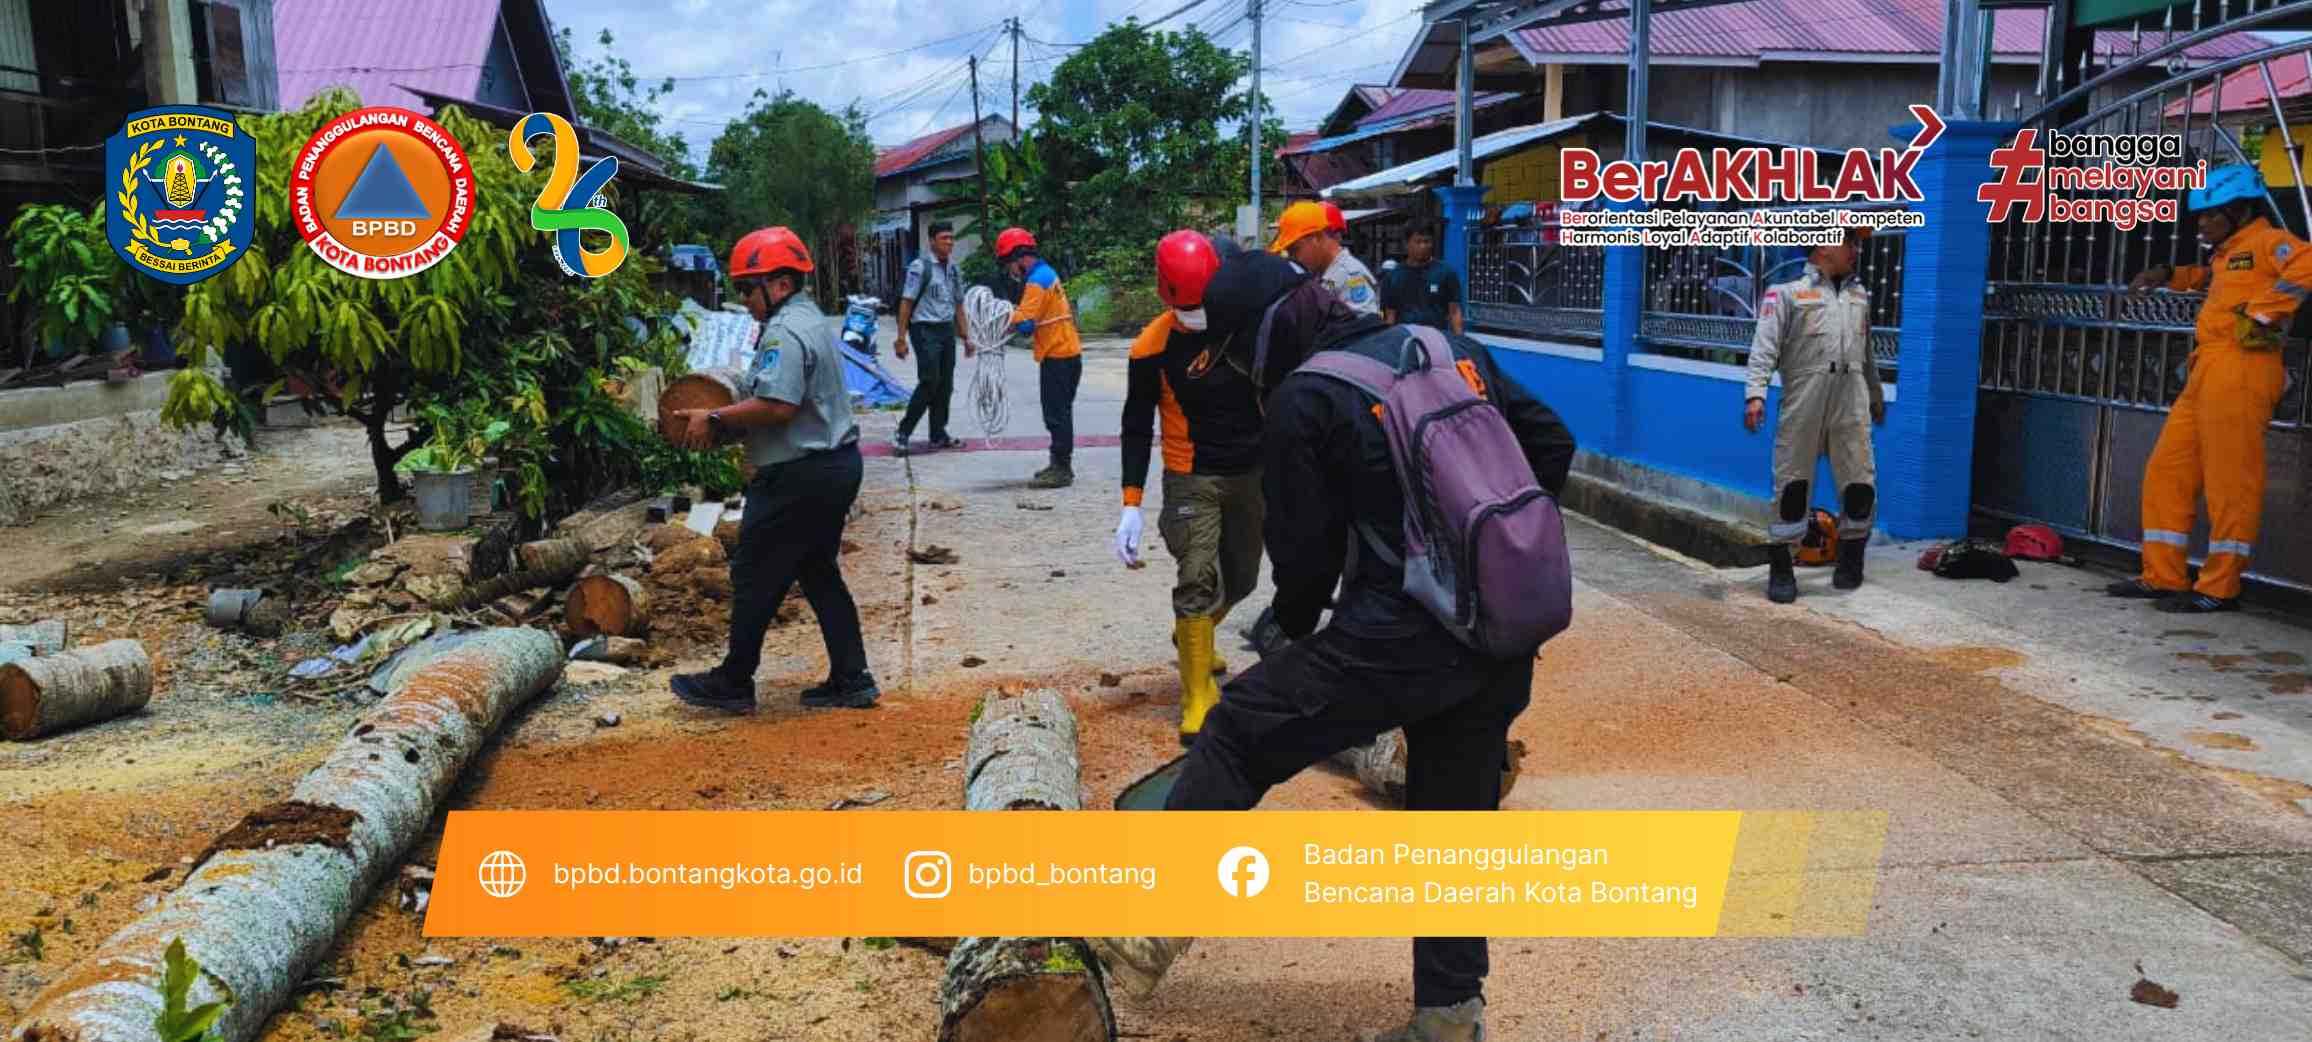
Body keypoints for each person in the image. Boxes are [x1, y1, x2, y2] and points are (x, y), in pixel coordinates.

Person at [1091, 251, 1577, 1042]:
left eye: (1239, 356)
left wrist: (1289, 626)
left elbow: (1307, 569)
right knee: (1451, 824)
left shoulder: (1304, 397)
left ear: (1258, 339)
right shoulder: (1444, 347)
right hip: (1499, 635)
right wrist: (1481, 557)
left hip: (1401, 640)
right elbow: (1551, 443)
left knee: (1241, 729)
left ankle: (1148, 923)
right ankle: (1451, 1018)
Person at [666, 227, 876, 712]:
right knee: (818, 570)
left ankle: (735, 681)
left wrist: (716, 418)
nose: (745, 299)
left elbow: (779, 405)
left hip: (802, 475)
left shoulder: (786, 329)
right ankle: (852, 676)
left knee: (754, 570)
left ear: (778, 284)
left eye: (747, 288)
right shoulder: (809, 318)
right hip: (833, 466)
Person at [2109, 164, 2311, 612]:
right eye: (2199, 216)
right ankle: (2163, 576)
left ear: (2239, 211)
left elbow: (2307, 261)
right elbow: (2211, 282)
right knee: (2167, 471)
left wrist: (2262, 312)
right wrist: (2166, 272)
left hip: (2244, 367)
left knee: (2230, 481)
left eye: (2210, 215)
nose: (2201, 223)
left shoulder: (2266, 241)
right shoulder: (2229, 253)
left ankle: (2220, 587)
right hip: (2208, 368)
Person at [1114, 230, 1260, 747]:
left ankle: (1193, 635)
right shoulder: (1150, 347)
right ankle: (1197, 695)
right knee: (1197, 576)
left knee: (1241, 579)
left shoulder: (1247, 325)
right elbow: (1136, 425)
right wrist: (1130, 503)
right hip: (1190, 477)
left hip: (1252, 473)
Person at [1742, 226, 1885, 604]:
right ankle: (1782, 568)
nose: (1855, 249)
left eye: (1857, 242)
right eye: (1848, 241)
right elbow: (1764, 348)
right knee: (1793, 485)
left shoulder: (1859, 295)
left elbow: (1867, 353)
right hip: (1805, 399)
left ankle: (1851, 559)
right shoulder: (1786, 294)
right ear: (1823, 246)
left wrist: (1874, 394)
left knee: (1859, 482)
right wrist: (1755, 395)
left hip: (1850, 400)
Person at [997, 227, 1083, 488]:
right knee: (1060, 412)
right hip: (1066, 352)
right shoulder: (1046, 273)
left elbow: (1024, 323)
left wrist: (1000, 317)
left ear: (1019, 257)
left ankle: (1061, 469)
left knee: (1056, 414)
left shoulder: (1036, 281)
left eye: (1009, 264)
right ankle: (1058, 463)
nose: (1010, 271)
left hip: (1058, 354)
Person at [891, 222, 973, 457]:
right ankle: (903, 433)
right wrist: (900, 338)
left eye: (951, 238)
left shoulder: (953, 269)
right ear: (932, 241)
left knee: (945, 384)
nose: (950, 242)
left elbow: (958, 304)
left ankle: (938, 433)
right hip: (924, 330)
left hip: (946, 330)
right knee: (929, 380)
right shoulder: (920, 267)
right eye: (944, 238)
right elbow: (906, 302)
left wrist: (966, 336)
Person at [1272, 199, 1380, 317]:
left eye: (1294, 250)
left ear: (1317, 238)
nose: (1292, 258)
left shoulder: (1350, 276)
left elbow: (1364, 330)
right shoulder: (1320, 274)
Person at [1381, 222, 1465, 335]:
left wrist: (1460, 342)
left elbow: (1454, 312)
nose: (1423, 246)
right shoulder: (1394, 276)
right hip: (1405, 342)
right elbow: (1390, 315)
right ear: (1406, 244)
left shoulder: (1446, 272)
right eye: (1418, 241)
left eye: (1427, 241)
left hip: (1436, 341)